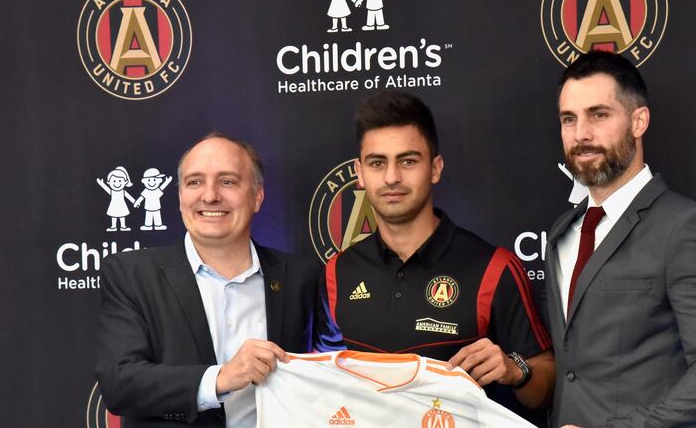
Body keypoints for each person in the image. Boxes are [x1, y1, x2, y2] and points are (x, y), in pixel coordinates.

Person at [320, 90, 555, 425]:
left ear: (435, 168)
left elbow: (546, 387)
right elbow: (322, 382)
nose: (391, 178)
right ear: (360, 172)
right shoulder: (337, 272)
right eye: (377, 163)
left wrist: (514, 370)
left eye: (408, 161)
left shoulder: (494, 268)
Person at [546, 51, 696, 427]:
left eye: (599, 115)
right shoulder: (563, 232)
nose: (581, 134)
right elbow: (575, 369)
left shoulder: (689, 228)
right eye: (568, 119)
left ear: (638, 121)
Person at [95, 133, 342, 427]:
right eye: (195, 182)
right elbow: (120, 383)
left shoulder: (303, 277)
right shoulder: (131, 274)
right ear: (180, 196)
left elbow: (331, 378)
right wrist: (220, 378)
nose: (210, 195)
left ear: (257, 197)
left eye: (228, 181)